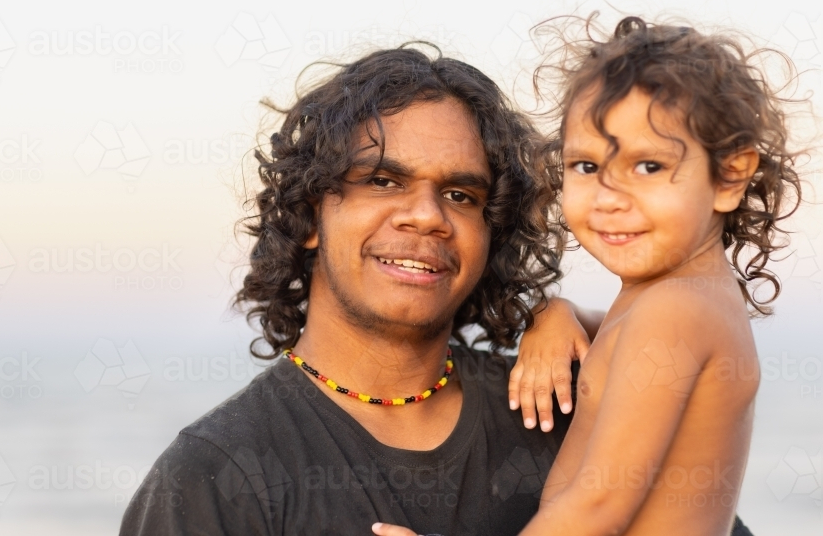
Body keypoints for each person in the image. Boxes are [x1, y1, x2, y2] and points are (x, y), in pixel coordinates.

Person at [120, 44, 755, 536]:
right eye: (382, 181)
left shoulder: (558, 406)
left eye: (460, 194)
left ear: (491, 230)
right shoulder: (217, 477)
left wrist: (557, 315)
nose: (426, 216)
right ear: (311, 213)